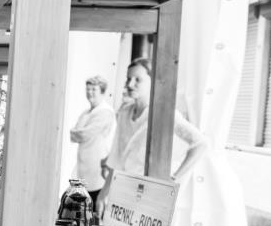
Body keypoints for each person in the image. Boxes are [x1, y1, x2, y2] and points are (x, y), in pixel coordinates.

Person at [97, 57, 207, 210]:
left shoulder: (163, 114)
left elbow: (200, 143)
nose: (130, 84)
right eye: (128, 79)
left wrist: (174, 179)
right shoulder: (124, 113)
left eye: (138, 80)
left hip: (150, 197)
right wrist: (103, 193)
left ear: (152, 82)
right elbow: (117, 158)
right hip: (125, 191)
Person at [69, 75, 116, 206]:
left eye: (94, 89)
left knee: (94, 210)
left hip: (97, 174)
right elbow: (73, 136)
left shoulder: (106, 112)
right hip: (83, 172)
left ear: (102, 91)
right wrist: (78, 133)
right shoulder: (86, 113)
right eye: (88, 89)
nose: (90, 92)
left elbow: (83, 134)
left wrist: (78, 132)